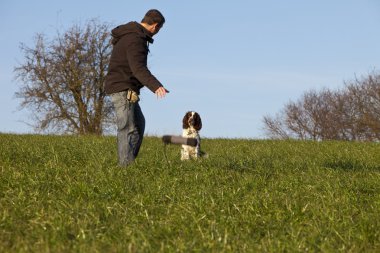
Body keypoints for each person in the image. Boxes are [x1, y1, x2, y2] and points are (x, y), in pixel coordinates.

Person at [104, 9, 169, 167]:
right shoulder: (135, 39)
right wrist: (156, 86)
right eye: (158, 29)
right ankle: (125, 169)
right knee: (127, 128)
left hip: (124, 87)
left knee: (138, 125)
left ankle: (128, 163)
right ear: (155, 26)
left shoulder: (131, 34)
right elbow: (138, 68)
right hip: (122, 88)